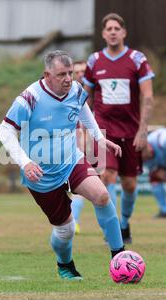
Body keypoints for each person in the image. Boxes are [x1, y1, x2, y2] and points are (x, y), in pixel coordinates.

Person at [0, 50, 125, 280]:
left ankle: (120, 257)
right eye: (61, 74)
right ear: (47, 75)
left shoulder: (75, 89)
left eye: (70, 73)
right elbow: (5, 131)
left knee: (102, 196)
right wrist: (25, 163)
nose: (68, 78)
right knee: (65, 230)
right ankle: (65, 265)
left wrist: (98, 137)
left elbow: (83, 107)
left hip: (71, 160)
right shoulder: (30, 97)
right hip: (41, 174)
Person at [79, 13, 155, 244]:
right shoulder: (94, 61)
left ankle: (124, 223)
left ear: (124, 32)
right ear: (103, 34)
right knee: (107, 176)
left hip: (131, 131)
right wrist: (84, 129)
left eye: (116, 28)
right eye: (108, 29)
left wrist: (143, 130)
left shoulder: (137, 59)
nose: (112, 32)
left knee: (129, 184)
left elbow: (148, 96)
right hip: (103, 130)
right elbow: (85, 98)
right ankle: (113, 229)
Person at [70, 60, 88, 234]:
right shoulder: (69, 97)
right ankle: (71, 221)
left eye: (85, 70)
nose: (81, 74)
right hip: (74, 148)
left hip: (97, 146)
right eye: (77, 71)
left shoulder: (97, 96)